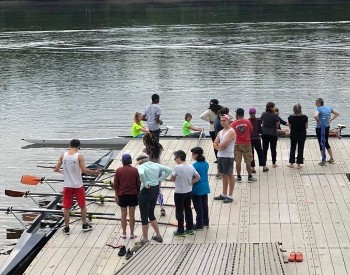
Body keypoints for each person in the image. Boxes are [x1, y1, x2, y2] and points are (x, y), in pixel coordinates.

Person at [54, 139, 100, 235]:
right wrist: (94, 172)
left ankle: (66, 228)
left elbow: (56, 169)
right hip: (78, 185)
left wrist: (63, 171)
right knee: (82, 205)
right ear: (79, 146)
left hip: (67, 185)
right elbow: (84, 171)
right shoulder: (79, 156)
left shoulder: (63, 155)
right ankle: (84, 225)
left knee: (66, 207)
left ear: (70, 145)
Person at [136, 153, 172, 244]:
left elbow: (141, 173)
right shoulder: (156, 165)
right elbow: (169, 170)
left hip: (146, 190)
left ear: (140, 161)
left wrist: (144, 183)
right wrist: (160, 179)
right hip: (155, 189)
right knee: (151, 213)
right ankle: (158, 235)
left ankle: (145, 238)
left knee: (144, 215)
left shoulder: (142, 166)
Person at [170, 150, 200, 236]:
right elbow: (198, 177)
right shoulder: (190, 166)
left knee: (179, 211)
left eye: (175, 158)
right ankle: (190, 229)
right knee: (188, 209)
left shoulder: (177, 167)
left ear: (179, 157)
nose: (174, 160)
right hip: (188, 191)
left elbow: (172, 179)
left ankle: (180, 230)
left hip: (179, 192)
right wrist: (191, 182)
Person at [113, 153, 141, 239]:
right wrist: (138, 193)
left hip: (122, 195)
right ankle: (132, 233)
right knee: (132, 215)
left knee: (123, 215)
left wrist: (116, 195)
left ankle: (124, 233)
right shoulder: (135, 170)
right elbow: (138, 184)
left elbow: (116, 185)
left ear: (123, 161)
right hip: (133, 194)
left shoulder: (118, 170)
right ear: (130, 161)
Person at [213, 114, 236, 203]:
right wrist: (219, 146)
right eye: (221, 121)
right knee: (223, 174)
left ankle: (230, 195)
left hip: (228, 156)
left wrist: (219, 146)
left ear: (228, 121)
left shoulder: (231, 131)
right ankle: (224, 194)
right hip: (220, 155)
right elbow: (215, 143)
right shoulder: (220, 132)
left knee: (229, 175)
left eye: (224, 120)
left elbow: (223, 145)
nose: (222, 122)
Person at [142, 132, 166, 216]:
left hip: (150, 170)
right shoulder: (159, 147)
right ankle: (162, 207)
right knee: (158, 188)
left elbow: (143, 159)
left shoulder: (146, 149)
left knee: (148, 187)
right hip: (159, 168)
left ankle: (148, 205)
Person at [231, 108, 257, 183]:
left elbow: (232, 132)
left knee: (238, 161)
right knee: (248, 161)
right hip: (247, 143)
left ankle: (238, 177)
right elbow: (251, 130)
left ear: (237, 114)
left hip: (237, 143)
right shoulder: (247, 122)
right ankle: (249, 176)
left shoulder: (234, 123)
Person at [314, 98, 340, 165]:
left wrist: (318, 121)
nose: (315, 104)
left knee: (321, 143)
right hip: (327, 127)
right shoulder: (328, 108)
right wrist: (330, 120)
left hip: (320, 128)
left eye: (316, 103)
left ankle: (323, 160)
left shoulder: (318, 109)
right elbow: (337, 114)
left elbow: (315, 116)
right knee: (326, 142)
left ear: (319, 103)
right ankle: (331, 158)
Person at [190, 147, 210, 230]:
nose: (192, 156)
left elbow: (192, 177)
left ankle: (199, 224)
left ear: (196, 154)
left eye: (193, 154)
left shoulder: (194, 165)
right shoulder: (206, 163)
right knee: (205, 206)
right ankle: (206, 222)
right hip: (205, 187)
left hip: (197, 188)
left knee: (198, 207)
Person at [287, 104, 308, 169]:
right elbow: (306, 127)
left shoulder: (290, 117)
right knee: (300, 148)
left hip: (294, 134)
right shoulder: (305, 117)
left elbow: (290, 127)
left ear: (294, 110)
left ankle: (291, 163)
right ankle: (298, 164)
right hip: (302, 134)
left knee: (292, 148)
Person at [248, 107, 269, 173]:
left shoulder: (247, 121)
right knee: (260, 152)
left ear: (249, 113)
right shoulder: (258, 120)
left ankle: (252, 168)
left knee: (251, 153)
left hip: (250, 139)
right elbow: (260, 130)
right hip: (257, 138)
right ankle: (264, 167)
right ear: (255, 113)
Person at [261, 102, 280, 168]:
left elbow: (261, 121)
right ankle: (274, 163)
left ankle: (264, 164)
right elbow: (277, 124)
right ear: (271, 107)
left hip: (264, 133)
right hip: (273, 134)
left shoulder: (263, 114)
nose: (275, 108)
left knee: (264, 149)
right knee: (273, 149)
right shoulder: (275, 115)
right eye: (274, 107)